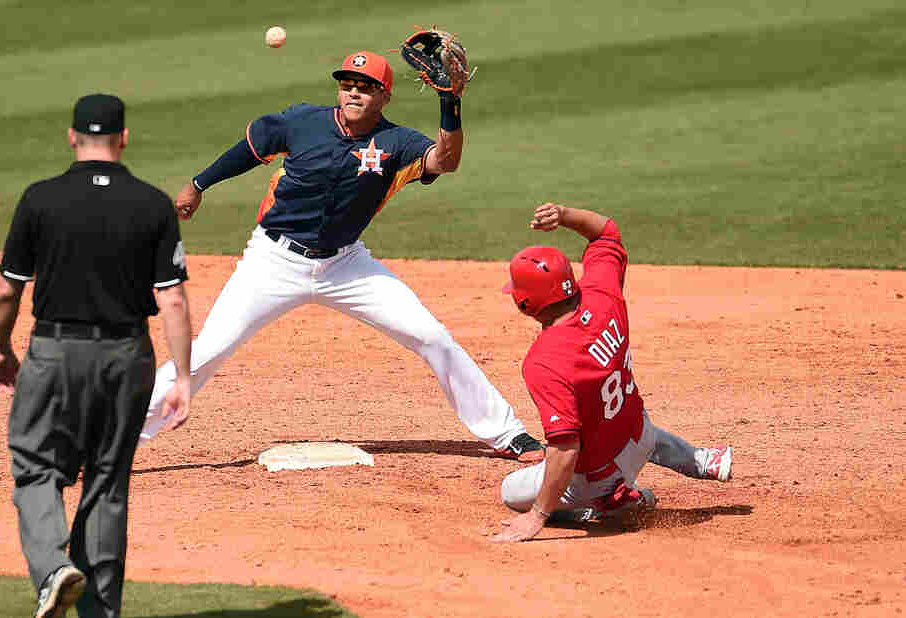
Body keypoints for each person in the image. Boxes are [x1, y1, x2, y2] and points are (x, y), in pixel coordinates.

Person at [139, 50, 544, 461]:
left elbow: (446, 160)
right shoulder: (303, 122)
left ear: (384, 97)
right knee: (206, 351)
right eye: (347, 84)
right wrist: (198, 184)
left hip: (346, 265)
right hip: (273, 262)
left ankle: (507, 433)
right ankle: (112, 441)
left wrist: (449, 103)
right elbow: (249, 147)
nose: (354, 93)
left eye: (366, 87)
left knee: (432, 336)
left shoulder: (397, 143)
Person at [0, 93, 193, 617]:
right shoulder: (152, 204)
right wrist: (185, 377)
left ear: (72, 136)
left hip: (54, 352)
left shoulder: (40, 199)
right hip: (128, 355)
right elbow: (172, 296)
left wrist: (3, 349)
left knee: (37, 467)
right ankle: (100, 613)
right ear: (123, 138)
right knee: (107, 480)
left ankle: (53, 569)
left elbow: (7, 293)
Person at [491, 202, 732, 543]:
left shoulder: (544, 362)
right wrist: (563, 215)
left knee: (511, 492)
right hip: (640, 433)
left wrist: (537, 516)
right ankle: (700, 460)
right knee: (627, 420)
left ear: (525, 304)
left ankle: (611, 504)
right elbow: (606, 231)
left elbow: (565, 450)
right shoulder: (602, 292)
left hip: (602, 475)